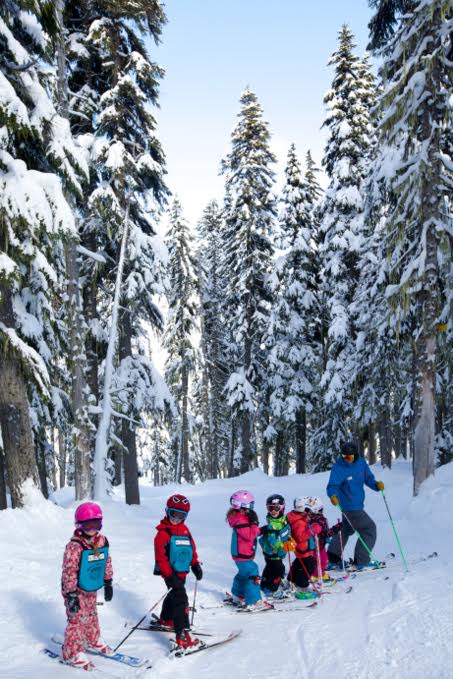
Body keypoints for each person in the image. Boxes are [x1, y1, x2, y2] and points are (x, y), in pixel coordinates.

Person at [61, 502, 114, 671]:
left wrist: (108, 582)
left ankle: (91, 639)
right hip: (75, 589)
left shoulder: (101, 541)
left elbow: (105, 561)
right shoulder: (75, 546)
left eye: (96, 524)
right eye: (88, 525)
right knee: (76, 618)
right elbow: (69, 571)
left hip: (91, 586)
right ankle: (72, 653)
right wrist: (71, 594)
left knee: (91, 613)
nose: (92, 529)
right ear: (79, 525)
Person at [154, 494, 203, 651]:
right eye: (173, 514)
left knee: (173, 595)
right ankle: (183, 636)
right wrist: (169, 576)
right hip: (170, 573)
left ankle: (167, 619)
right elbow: (161, 559)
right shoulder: (162, 534)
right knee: (181, 599)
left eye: (181, 515)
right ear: (167, 511)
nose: (176, 518)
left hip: (181, 572)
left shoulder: (184, 530)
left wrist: (195, 564)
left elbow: (190, 549)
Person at [326, 440, 384, 570]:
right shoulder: (338, 468)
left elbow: (368, 478)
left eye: (349, 457)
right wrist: (333, 496)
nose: (347, 459)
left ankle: (333, 557)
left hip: (357, 505)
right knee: (369, 529)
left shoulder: (361, 463)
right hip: (350, 507)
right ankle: (361, 561)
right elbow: (332, 486)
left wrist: (376, 485)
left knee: (347, 529)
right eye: (344, 456)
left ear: (355, 455)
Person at [227, 490, 272, 612]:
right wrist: (254, 523)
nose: (251, 509)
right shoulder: (240, 520)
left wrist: (261, 529)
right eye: (250, 506)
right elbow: (249, 535)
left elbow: (251, 532)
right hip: (243, 555)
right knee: (253, 572)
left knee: (243, 574)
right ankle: (253, 601)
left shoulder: (240, 517)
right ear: (241, 506)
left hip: (241, 554)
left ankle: (237, 595)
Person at [286, 497, 321, 599]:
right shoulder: (299, 522)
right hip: (303, 548)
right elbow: (301, 537)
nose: (308, 511)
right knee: (310, 565)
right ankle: (302, 585)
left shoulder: (298, 517)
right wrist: (312, 530)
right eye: (307, 509)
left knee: (298, 564)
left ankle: (291, 580)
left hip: (301, 549)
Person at [259, 494, 292, 599]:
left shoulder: (282, 520)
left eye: (276, 508)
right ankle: (272, 589)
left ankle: (264, 586)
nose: (273, 511)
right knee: (279, 570)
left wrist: (290, 540)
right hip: (274, 552)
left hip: (272, 553)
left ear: (282, 508)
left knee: (270, 568)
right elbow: (272, 540)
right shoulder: (272, 524)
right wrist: (283, 546)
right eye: (270, 508)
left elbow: (285, 533)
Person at [303, 497, 342, 582]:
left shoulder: (313, 518)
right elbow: (325, 533)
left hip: (317, 544)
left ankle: (318, 573)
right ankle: (317, 575)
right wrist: (336, 528)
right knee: (320, 561)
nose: (322, 511)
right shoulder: (316, 519)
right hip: (316, 545)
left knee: (321, 560)